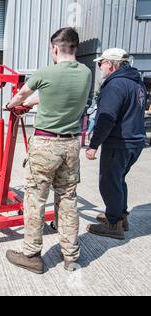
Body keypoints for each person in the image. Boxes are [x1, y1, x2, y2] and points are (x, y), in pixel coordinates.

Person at [5, 27, 92, 274]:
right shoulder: (86, 73)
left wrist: (12, 104)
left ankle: (31, 255)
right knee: (68, 199)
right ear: (75, 47)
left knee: (35, 199)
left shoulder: (45, 72)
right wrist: (34, 100)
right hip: (71, 144)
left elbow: (21, 96)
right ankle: (70, 256)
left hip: (46, 145)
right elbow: (54, 96)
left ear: (54, 48)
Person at [86, 48, 147, 240]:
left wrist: (93, 145)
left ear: (111, 64)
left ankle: (114, 225)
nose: (100, 67)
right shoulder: (137, 83)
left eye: (101, 63)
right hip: (135, 141)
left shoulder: (115, 85)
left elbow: (107, 118)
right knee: (119, 179)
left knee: (109, 182)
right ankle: (121, 216)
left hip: (119, 142)